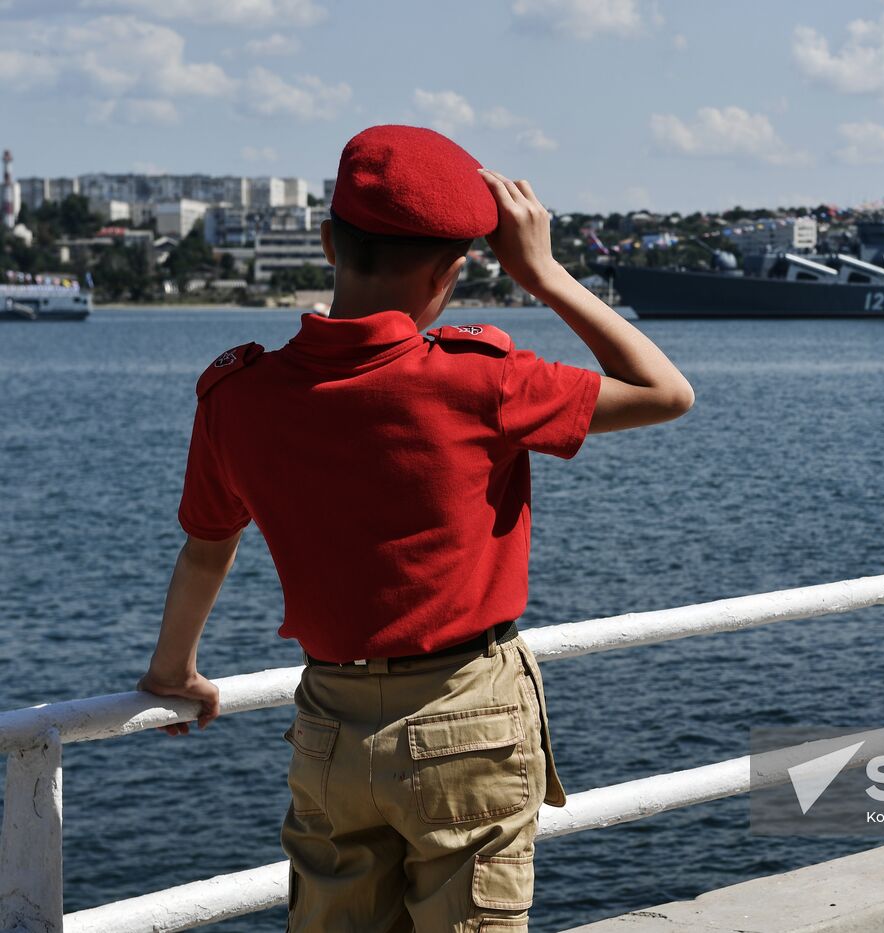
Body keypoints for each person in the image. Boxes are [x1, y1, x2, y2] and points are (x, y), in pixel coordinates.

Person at [135, 124, 693, 931]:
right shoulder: (484, 380)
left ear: (327, 242)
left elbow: (206, 548)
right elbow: (666, 391)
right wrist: (543, 273)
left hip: (329, 723)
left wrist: (173, 673)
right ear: (452, 269)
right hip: (466, 713)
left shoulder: (239, 396)